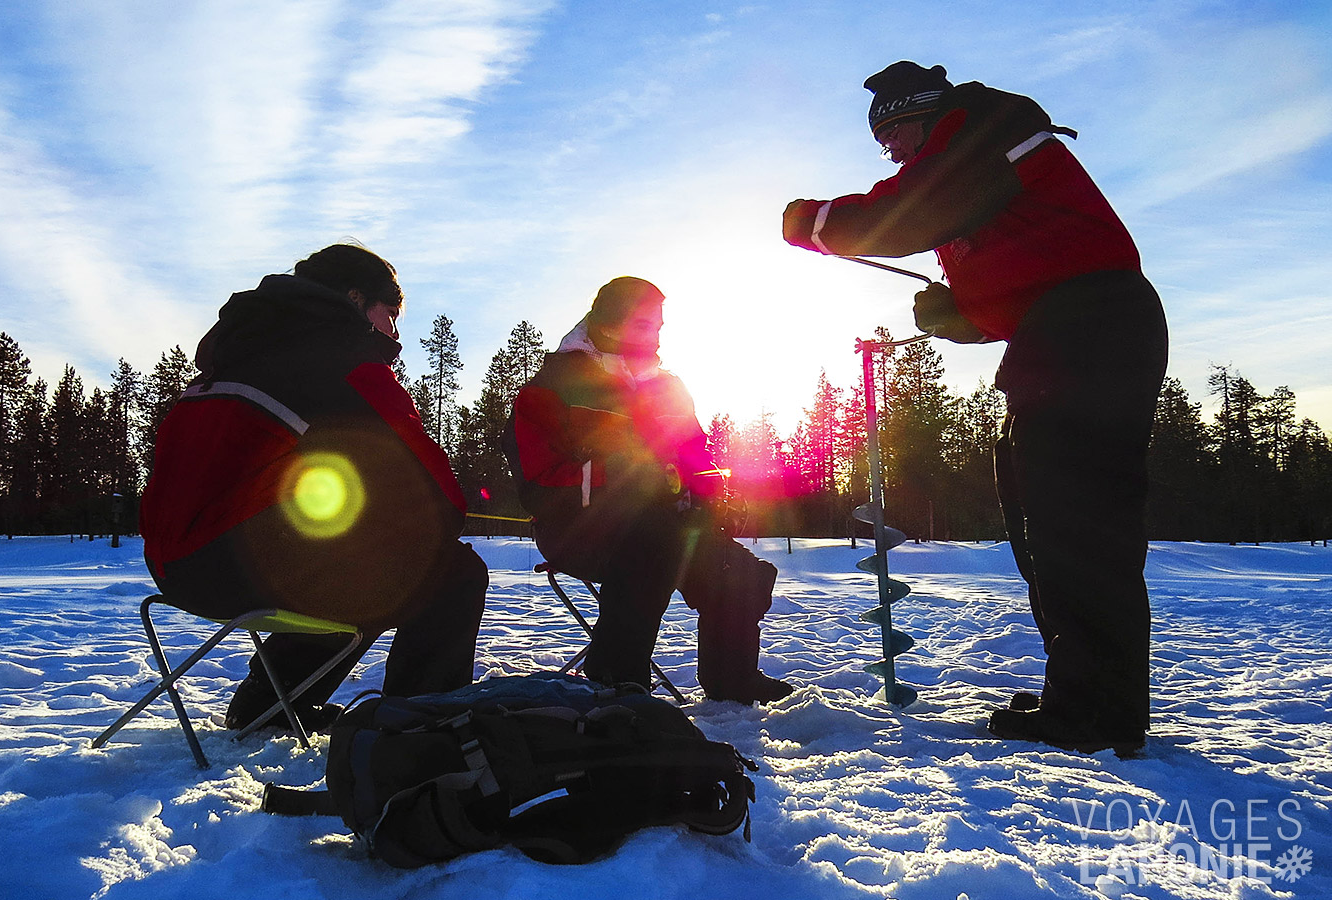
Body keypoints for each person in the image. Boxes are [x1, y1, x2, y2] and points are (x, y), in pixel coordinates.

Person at [782, 62, 1167, 754]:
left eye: (893, 133)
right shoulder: (980, 167)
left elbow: (908, 210)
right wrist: (957, 310)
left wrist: (814, 224)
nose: (892, 152)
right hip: (1067, 334)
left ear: (924, 114)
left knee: (1078, 526)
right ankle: (1083, 693)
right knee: (1043, 519)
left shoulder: (981, 132)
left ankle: (1098, 714)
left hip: (1092, 330)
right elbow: (1028, 266)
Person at [140, 244, 487, 731]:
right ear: (356, 299)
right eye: (391, 313)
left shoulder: (239, 355)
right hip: (243, 571)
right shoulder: (347, 362)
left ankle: (272, 704)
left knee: (351, 553)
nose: (394, 331)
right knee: (451, 572)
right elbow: (441, 500)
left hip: (173, 569)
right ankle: (419, 729)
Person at [510, 277, 794, 704]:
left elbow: (696, 457)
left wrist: (714, 494)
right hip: (579, 528)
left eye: (660, 326)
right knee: (650, 548)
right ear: (609, 322)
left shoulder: (669, 387)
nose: (657, 336)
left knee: (743, 574)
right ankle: (618, 682)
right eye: (646, 325)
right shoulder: (553, 386)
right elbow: (536, 479)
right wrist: (614, 473)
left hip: (668, 526)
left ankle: (731, 679)